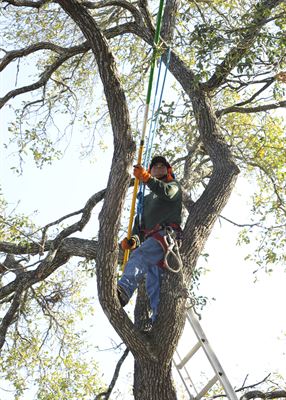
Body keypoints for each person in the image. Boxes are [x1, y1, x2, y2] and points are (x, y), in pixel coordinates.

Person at [118, 155, 182, 322]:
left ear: (168, 170)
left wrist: (146, 178)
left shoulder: (172, 186)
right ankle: (158, 321)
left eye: (162, 166)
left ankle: (123, 290)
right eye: (155, 167)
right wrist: (132, 240)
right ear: (151, 170)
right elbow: (139, 228)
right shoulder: (144, 200)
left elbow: (168, 194)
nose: (158, 168)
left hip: (164, 236)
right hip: (151, 241)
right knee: (153, 287)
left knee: (140, 255)